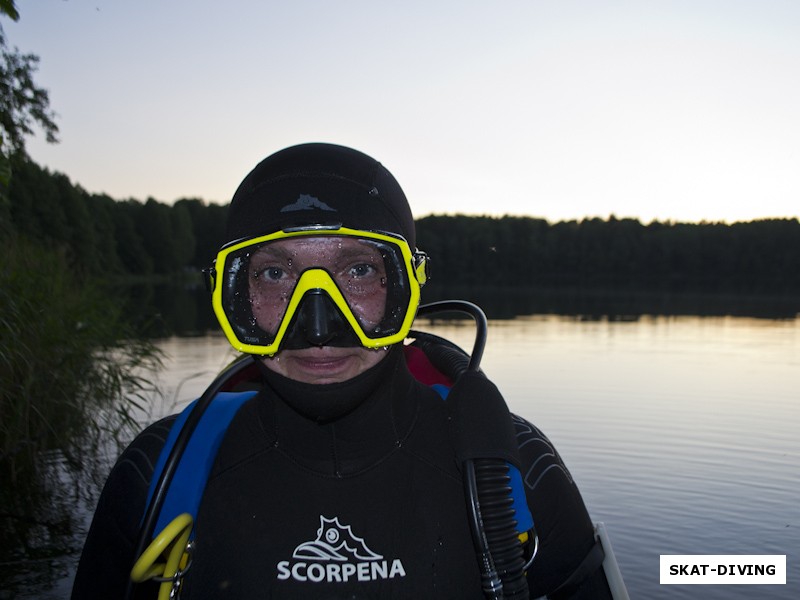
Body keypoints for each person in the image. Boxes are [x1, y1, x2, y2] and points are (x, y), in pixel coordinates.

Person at [71, 143, 619, 599]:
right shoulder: (157, 476)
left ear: (405, 287)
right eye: (273, 273)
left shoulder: (515, 469)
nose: (316, 326)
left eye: (357, 270)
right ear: (235, 295)